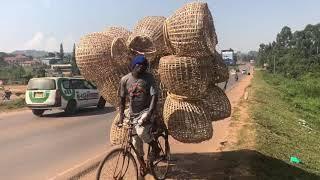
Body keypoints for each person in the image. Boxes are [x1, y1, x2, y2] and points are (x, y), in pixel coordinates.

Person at [117, 55, 161, 176]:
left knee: (141, 132)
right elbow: (121, 99)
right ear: (133, 66)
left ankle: (156, 148)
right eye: (139, 65)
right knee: (135, 143)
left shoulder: (149, 78)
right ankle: (142, 165)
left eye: (144, 66)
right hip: (132, 113)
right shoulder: (125, 80)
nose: (142, 68)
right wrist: (121, 116)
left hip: (146, 111)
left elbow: (154, 96)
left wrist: (150, 113)